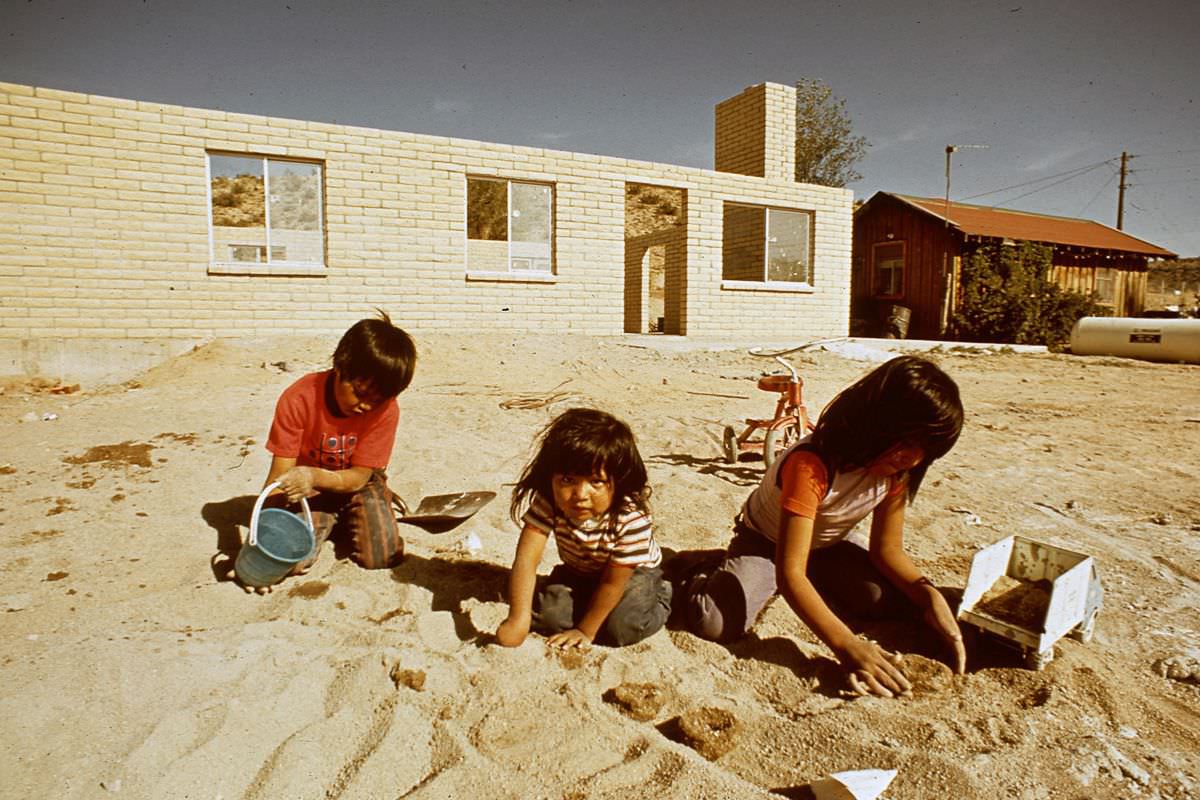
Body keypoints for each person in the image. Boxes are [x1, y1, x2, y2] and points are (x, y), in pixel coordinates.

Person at [683, 355, 965, 697]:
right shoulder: (812, 464)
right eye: (906, 442)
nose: (913, 458)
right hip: (766, 541)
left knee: (880, 599)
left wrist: (928, 594)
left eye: (926, 450)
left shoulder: (898, 472)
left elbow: (887, 550)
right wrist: (847, 646)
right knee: (716, 622)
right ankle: (702, 570)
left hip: (825, 545)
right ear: (877, 422)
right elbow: (791, 575)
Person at [252, 311, 417, 592]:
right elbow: (279, 479)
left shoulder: (386, 411)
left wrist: (314, 475)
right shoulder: (299, 397)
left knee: (381, 556)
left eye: (377, 400)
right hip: (309, 489)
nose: (366, 406)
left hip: (357, 483)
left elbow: (356, 478)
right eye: (361, 393)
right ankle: (330, 518)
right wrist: (262, 546)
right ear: (340, 367)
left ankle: (361, 511)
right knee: (294, 560)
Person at [496, 408, 672, 649]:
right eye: (567, 480)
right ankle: (592, 606)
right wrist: (518, 619)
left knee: (621, 628)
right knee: (548, 616)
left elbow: (613, 582)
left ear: (617, 482)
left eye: (596, 482)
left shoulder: (629, 518)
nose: (580, 495)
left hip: (632, 576)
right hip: (581, 571)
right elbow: (526, 560)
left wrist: (584, 631)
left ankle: (664, 595)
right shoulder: (549, 503)